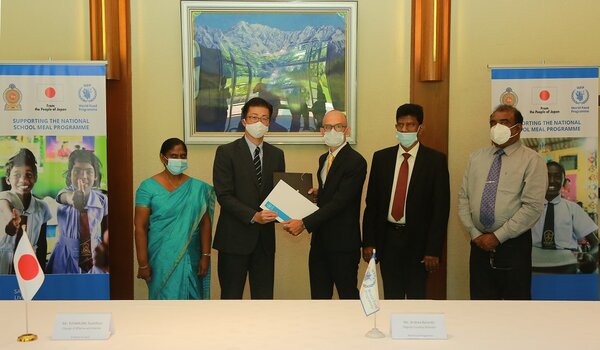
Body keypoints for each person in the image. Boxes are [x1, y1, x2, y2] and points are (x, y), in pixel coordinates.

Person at [458, 104, 547, 300]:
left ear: (519, 127)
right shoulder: (476, 158)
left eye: (504, 122)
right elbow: (463, 198)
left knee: (514, 312)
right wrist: (474, 234)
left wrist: (497, 236)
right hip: (478, 245)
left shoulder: (533, 160)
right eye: (493, 123)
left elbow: (532, 207)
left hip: (513, 246)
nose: (497, 127)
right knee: (481, 309)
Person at [362, 103, 450, 299]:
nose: (404, 130)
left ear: (420, 128)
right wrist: (368, 241)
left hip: (419, 244)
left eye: (410, 125)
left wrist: (433, 250)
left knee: (416, 295)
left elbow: (440, 210)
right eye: (400, 125)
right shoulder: (381, 158)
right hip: (388, 240)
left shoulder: (435, 161)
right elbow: (372, 205)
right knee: (391, 295)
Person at [283, 110, 366, 299]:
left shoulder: (355, 161)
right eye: (328, 127)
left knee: (347, 298)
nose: (333, 131)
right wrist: (319, 194)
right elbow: (332, 193)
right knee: (319, 299)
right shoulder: (324, 159)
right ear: (322, 131)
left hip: (343, 244)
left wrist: (304, 223)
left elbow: (340, 202)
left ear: (347, 130)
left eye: (338, 127)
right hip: (320, 243)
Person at [213, 97, 286, 299]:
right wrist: (254, 215)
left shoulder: (277, 154)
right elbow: (224, 195)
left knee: (263, 300)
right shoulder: (226, 152)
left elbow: (279, 194)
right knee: (231, 298)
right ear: (244, 121)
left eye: (264, 118)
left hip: (264, 243)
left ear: (269, 123)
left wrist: (298, 203)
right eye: (254, 117)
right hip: (233, 240)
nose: (259, 123)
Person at [134, 138, 214, 299]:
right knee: (164, 306)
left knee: (192, 308)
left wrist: (206, 256)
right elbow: (140, 227)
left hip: (190, 258)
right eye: (174, 156)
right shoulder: (147, 187)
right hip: (160, 259)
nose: (179, 160)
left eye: (183, 156)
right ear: (162, 158)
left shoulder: (198, 188)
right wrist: (143, 263)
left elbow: (205, 224)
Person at [47, 149, 109, 274]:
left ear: (96, 175)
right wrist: (72, 198)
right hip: (64, 254)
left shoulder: (102, 200)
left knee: (90, 290)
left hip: (93, 255)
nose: (83, 176)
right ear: (70, 174)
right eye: (77, 171)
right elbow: (63, 197)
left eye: (89, 172)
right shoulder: (64, 193)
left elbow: (105, 230)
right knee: (63, 290)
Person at [532, 161, 598, 274]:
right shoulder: (529, 208)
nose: (552, 180)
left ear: (564, 181)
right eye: (547, 176)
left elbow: (595, 243)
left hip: (567, 265)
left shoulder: (573, 209)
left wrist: (591, 257)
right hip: (533, 263)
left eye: (557, 177)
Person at [0, 148, 52, 274]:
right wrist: (11, 222)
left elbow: (41, 244)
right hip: (3, 263)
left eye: (29, 175)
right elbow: (4, 204)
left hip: (29, 264)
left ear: (35, 177)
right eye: (17, 175)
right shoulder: (4, 198)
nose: (23, 180)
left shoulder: (42, 207)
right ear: (8, 180)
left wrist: (41, 271)